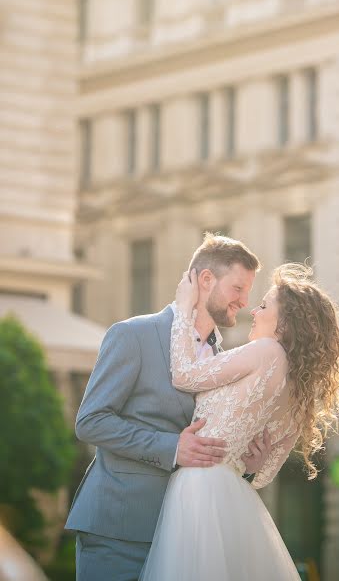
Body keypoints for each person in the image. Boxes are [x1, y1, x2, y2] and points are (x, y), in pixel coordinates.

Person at [65, 234, 274, 581]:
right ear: (206, 280)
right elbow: (91, 422)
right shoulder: (134, 335)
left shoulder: (223, 360)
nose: (245, 301)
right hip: (119, 531)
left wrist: (247, 464)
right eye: (238, 288)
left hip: (184, 537)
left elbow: (208, 448)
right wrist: (173, 447)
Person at [139, 263, 339, 581]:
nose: (254, 312)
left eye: (263, 305)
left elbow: (184, 375)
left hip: (200, 485)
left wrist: (185, 309)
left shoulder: (266, 350)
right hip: (233, 495)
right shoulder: (300, 393)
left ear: (284, 324)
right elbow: (261, 476)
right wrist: (250, 466)